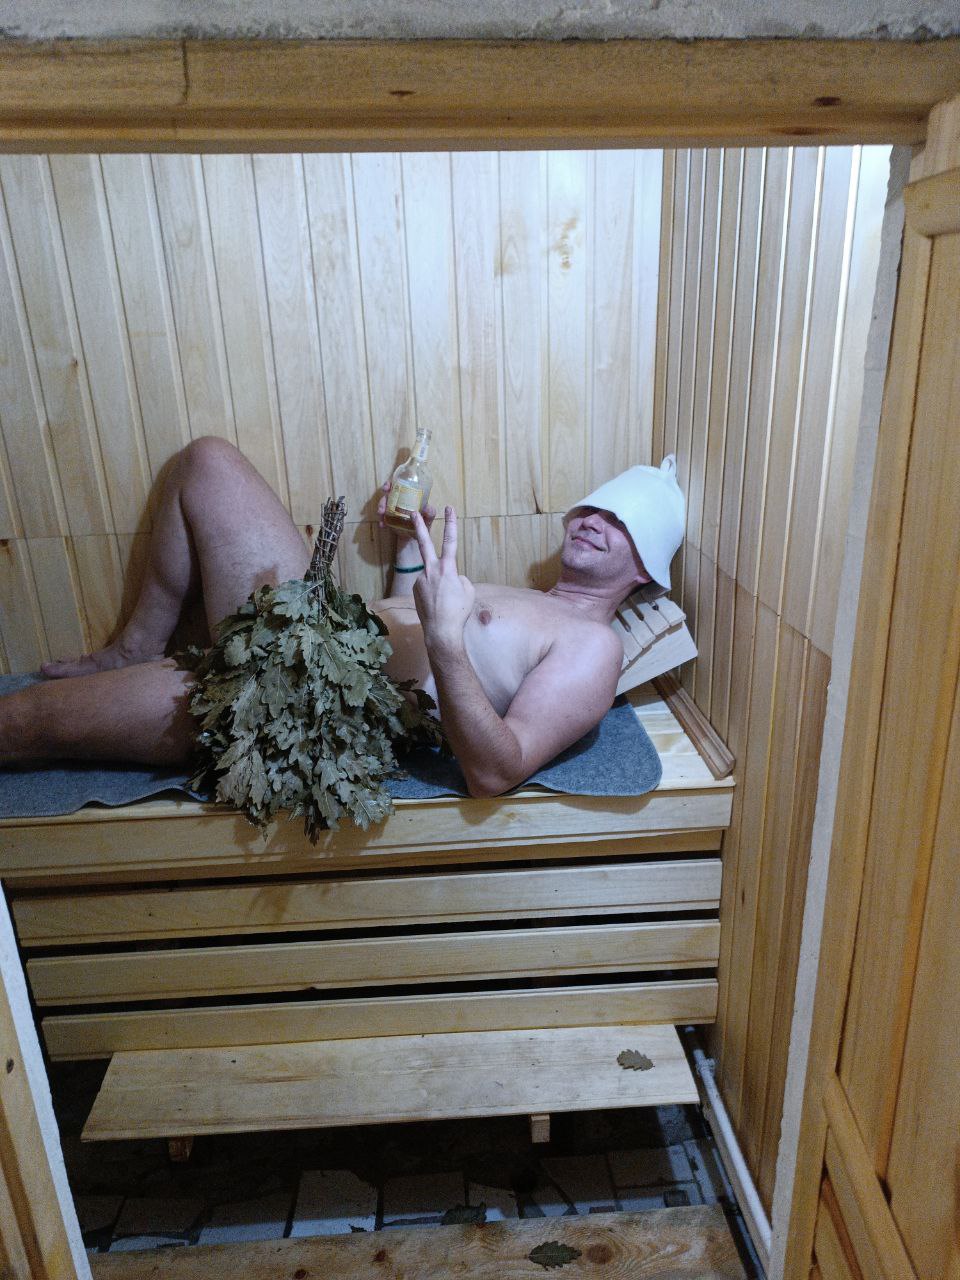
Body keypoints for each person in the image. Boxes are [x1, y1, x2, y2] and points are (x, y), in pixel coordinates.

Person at [0, 437, 684, 797]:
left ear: (646, 572)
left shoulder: (593, 646)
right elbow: (400, 620)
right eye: (594, 508)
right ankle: (134, 646)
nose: (595, 521)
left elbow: (496, 772)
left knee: (24, 722)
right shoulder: (527, 595)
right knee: (207, 463)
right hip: (315, 626)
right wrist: (406, 551)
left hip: (300, 704)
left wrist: (447, 638)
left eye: (621, 524)